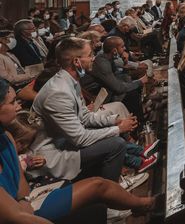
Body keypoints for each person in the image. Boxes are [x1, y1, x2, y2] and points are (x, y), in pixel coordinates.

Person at [0, 78, 159, 223]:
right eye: (12, 102)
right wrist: (23, 208)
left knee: (98, 185)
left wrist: (24, 199)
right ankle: (144, 203)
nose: (18, 106)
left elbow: (19, 181)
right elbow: (15, 216)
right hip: (16, 215)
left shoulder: (7, 137)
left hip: (27, 200)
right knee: (98, 185)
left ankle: (143, 203)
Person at [30, 38, 138, 182]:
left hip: (65, 141)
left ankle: (137, 158)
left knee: (110, 130)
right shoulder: (58, 92)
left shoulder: (70, 81)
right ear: (76, 61)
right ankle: (110, 194)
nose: (93, 58)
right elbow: (80, 139)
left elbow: (85, 117)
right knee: (116, 143)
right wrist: (118, 129)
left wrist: (114, 120)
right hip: (52, 153)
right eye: (89, 55)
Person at [83, 37, 148, 123]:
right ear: (114, 50)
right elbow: (118, 88)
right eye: (122, 46)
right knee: (132, 95)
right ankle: (139, 125)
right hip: (98, 98)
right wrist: (140, 82)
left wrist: (125, 61)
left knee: (127, 80)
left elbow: (119, 77)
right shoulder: (102, 63)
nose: (125, 48)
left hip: (106, 91)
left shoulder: (108, 57)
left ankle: (141, 111)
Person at [0, 30, 38, 99]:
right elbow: (7, 79)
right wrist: (29, 75)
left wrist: (32, 73)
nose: (13, 40)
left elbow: (20, 70)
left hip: (25, 81)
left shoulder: (10, 54)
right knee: (40, 97)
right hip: (16, 87)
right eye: (11, 37)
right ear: (2, 40)